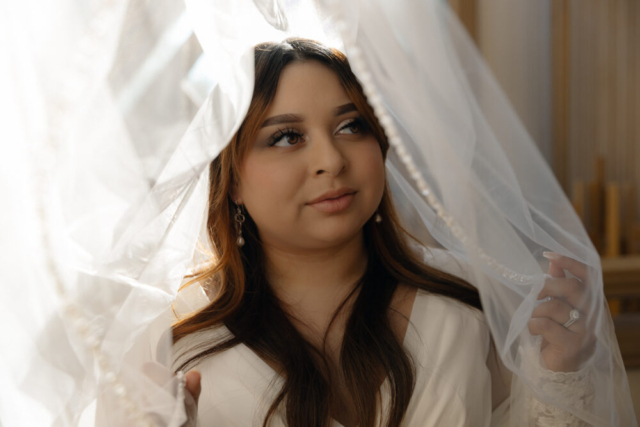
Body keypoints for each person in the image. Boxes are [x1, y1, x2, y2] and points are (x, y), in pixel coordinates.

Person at [169, 38, 591, 427]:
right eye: (287, 137)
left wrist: (559, 373)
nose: (331, 160)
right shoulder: (178, 338)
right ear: (232, 181)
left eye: (351, 126)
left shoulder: (465, 302)